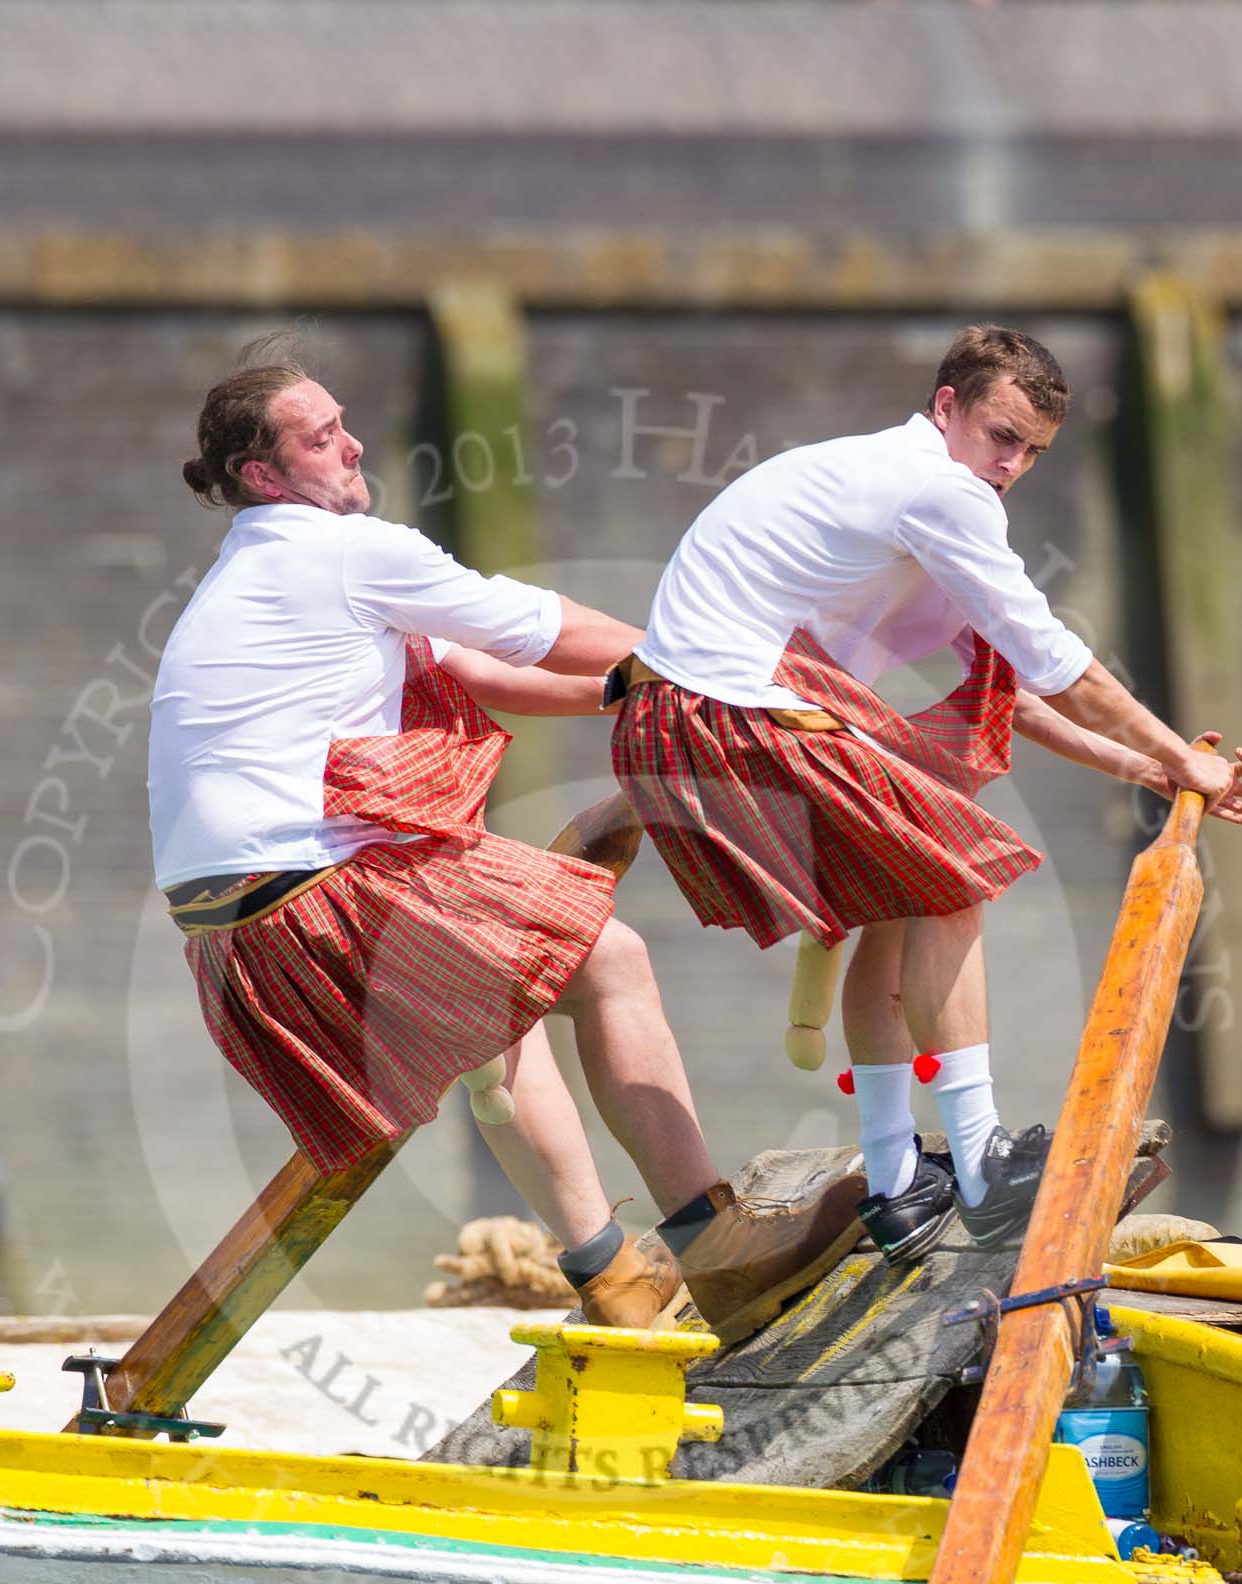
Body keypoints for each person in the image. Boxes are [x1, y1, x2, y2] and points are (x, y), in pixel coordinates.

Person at [149, 343, 856, 1336]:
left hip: (240, 953)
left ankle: (610, 1274)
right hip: (312, 902)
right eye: (321, 438)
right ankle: (719, 1246)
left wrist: (638, 684)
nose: (352, 445)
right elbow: (533, 627)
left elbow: (472, 665)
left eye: (345, 422)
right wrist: (716, 662)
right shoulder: (343, 554)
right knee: (610, 959)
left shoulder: (263, 573)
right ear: (264, 476)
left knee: (505, 1011)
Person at [611, 325, 1242, 1263]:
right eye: (999, 435)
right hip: (725, 710)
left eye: (1032, 451)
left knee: (899, 906)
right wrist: (1183, 755)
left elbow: (1023, 689)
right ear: (946, 406)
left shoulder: (893, 495)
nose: (1009, 465)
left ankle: (893, 1182)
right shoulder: (939, 491)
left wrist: (1151, 770)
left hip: (698, 714)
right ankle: (980, 1162)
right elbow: (1060, 664)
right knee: (955, 882)